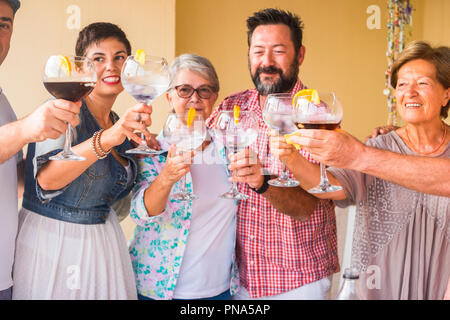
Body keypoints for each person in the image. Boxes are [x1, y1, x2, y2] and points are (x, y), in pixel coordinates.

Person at [268, 40, 450, 299]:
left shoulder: (367, 154)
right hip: (380, 288)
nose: (410, 92)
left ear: (446, 94)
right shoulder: (379, 146)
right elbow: (330, 187)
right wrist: (292, 159)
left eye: (422, 83)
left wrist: (357, 154)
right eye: (401, 85)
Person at [206, 8, 339, 300]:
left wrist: (263, 181)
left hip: (298, 280)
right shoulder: (231, 106)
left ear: (299, 55)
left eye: (278, 51)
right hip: (238, 280)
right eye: (258, 51)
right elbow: (196, 149)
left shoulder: (317, 116)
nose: (266, 62)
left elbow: (308, 207)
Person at [12, 22, 152, 299]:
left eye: (120, 57)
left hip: (104, 245)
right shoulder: (60, 109)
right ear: (81, 69)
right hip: (56, 245)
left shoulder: (119, 123)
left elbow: (120, 205)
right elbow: (46, 181)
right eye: (98, 59)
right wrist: (107, 139)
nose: (111, 66)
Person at [129, 53, 239, 300]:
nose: (195, 99)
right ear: (169, 96)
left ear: (215, 97)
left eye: (204, 91)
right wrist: (166, 177)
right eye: (184, 90)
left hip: (219, 290)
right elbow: (140, 214)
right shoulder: (153, 149)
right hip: (157, 289)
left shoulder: (229, 146)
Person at [0, 0, 83, 300]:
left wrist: (51, 169)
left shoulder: (2, 97)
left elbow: (12, 180)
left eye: (3, 25)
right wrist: (26, 129)